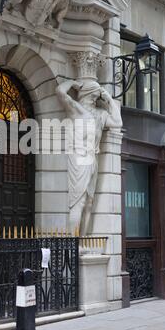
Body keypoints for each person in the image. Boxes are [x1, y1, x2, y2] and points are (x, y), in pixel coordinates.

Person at [56, 79, 122, 236]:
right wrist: (72, 82)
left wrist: (110, 100)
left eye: (96, 96)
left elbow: (118, 122)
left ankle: (82, 240)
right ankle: (72, 244)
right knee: (78, 202)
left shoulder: (101, 114)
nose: (94, 99)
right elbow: (59, 91)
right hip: (79, 157)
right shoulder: (76, 110)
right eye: (93, 95)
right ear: (85, 95)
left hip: (93, 158)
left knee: (89, 202)